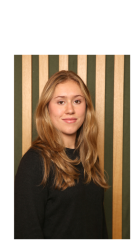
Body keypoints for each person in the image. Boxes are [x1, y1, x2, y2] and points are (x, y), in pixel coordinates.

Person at [15, 70, 109, 239]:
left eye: (77, 101)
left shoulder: (90, 158)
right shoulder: (35, 162)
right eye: (60, 102)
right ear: (47, 108)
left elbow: (99, 225)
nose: (70, 109)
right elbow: (26, 234)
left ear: (86, 107)